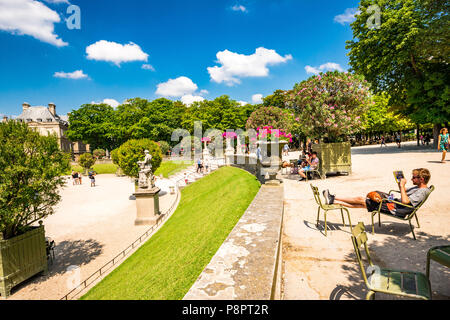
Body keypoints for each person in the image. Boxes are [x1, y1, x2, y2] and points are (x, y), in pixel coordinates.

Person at [323, 168, 431, 218]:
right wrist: (400, 184)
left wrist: (402, 186)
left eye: (414, 177)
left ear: (421, 179)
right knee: (367, 201)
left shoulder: (422, 192)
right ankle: (333, 200)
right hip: (395, 203)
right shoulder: (418, 188)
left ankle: (333, 198)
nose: (412, 179)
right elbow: (403, 194)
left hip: (396, 208)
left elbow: (406, 201)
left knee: (363, 200)